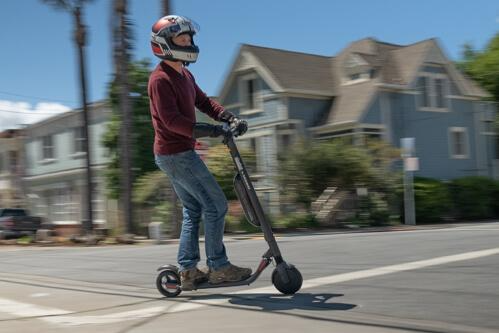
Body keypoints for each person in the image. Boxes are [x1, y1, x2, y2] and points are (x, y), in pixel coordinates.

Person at [148, 15, 251, 290]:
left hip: (176, 153)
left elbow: (204, 102)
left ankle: (189, 271)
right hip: (175, 155)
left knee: (193, 209)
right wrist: (210, 131)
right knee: (216, 205)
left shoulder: (185, 74)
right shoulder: (160, 80)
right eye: (182, 38)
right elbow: (171, 121)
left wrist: (228, 118)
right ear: (166, 43)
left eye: (190, 38)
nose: (189, 42)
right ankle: (218, 267)